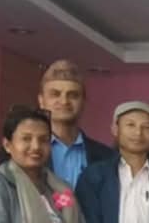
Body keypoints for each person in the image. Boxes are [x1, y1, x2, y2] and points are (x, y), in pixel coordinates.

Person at [36, 59, 113, 188]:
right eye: (55, 94)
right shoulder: (26, 152)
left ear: (83, 102)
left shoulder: (107, 157)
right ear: (41, 101)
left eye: (73, 95)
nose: (64, 101)